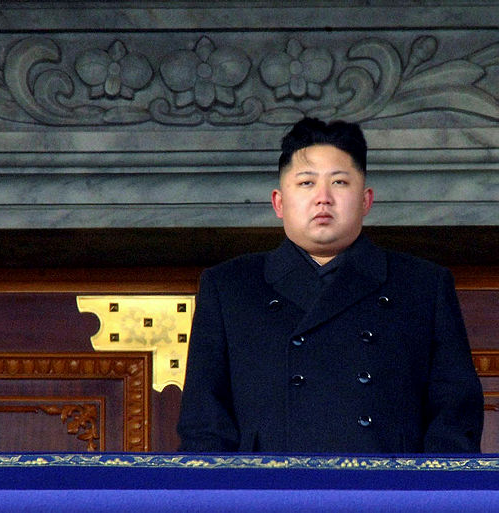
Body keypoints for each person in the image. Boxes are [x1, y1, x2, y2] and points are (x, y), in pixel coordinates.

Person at [177, 117, 483, 453]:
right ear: (279, 202)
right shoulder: (230, 286)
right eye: (306, 183)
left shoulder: (422, 285)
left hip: (385, 484)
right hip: (269, 485)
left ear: (366, 200)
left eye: (339, 182)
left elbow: (455, 422)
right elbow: (204, 427)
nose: (323, 198)